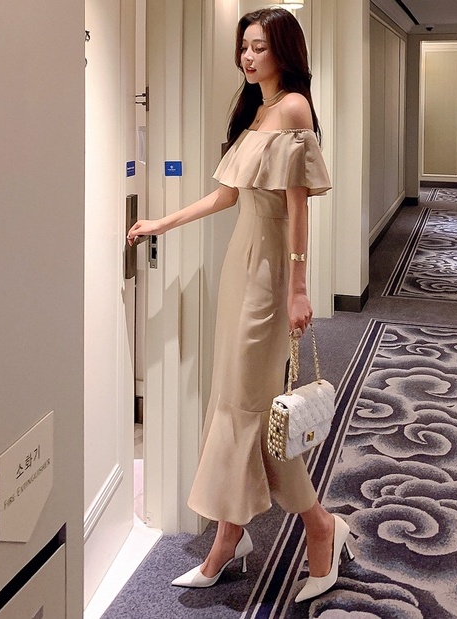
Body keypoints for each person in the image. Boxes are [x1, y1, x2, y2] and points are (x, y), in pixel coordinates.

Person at [127, 6, 353, 604]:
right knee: (233, 401)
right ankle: (232, 536)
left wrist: (298, 288)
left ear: (284, 51)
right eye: (244, 47)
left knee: (252, 408)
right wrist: (163, 223)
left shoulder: (294, 109)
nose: (248, 57)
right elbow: (227, 195)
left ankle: (317, 527)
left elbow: (298, 209)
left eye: (259, 47)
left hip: (271, 275)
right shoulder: (256, 110)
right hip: (240, 269)